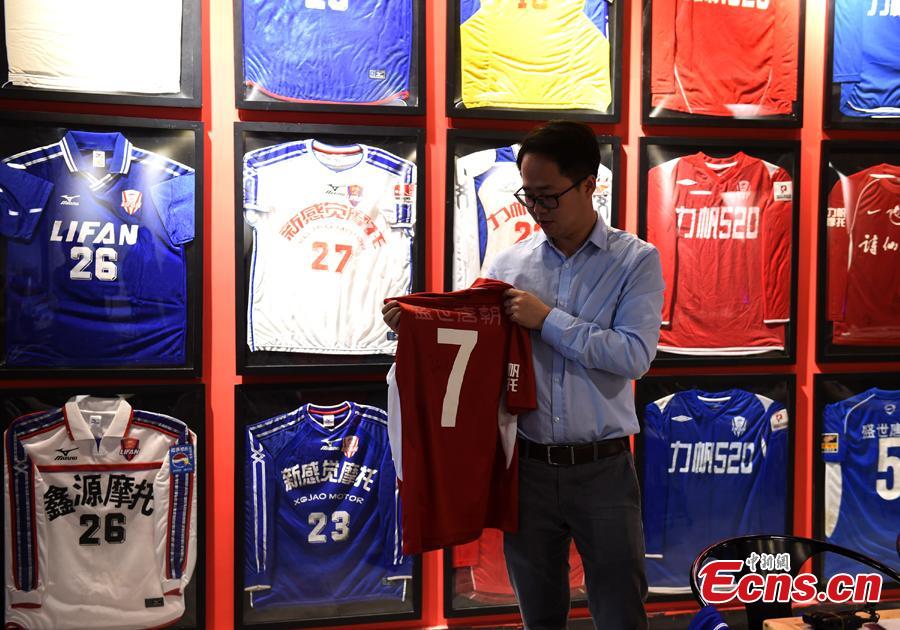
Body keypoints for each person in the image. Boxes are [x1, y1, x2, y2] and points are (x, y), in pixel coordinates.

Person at [383, 120, 664, 629]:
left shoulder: (635, 261)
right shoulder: (509, 264)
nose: (536, 209)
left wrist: (547, 320)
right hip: (526, 467)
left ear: (589, 185)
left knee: (621, 610)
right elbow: (468, 335)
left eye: (548, 196)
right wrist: (419, 325)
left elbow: (633, 355)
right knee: (537, 612)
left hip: (603, 468)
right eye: (528, 196)